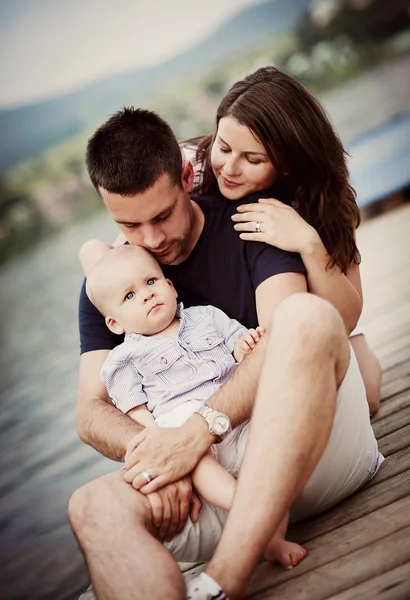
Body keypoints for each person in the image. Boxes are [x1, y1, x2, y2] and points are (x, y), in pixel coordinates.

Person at [68, 102, 383, 600]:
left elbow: (285, 335)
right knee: (91, 506)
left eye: (162, 215)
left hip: (310, 453)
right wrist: (154, 454)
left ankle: (224, 579)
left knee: (303, 317)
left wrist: (196, 433)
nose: (152, 240)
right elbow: (91, 410)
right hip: (212, 488)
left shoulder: (252, 223)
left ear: (187, 177)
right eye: (129, 227)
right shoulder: (114, 284)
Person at [80, 240, 305, 569]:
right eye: (129, 296)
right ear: (115, 324)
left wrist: (244, 347)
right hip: (182, 429)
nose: (146, 294)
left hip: (231, 410)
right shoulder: (123, 359)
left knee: (272, 421)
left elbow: (240, 350)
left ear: (170, 286)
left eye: (151, 282)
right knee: (193, 454)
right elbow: (135, 409)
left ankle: (269, 531)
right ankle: (252, 511)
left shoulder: (208, 317)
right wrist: (159, 439)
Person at [179, 66, 381, 416]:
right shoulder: (190, 171)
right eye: (224, 147)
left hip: (306, 320)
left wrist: (309, 244)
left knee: (367, 398)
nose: (228, 167)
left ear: (287, 165)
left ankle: (355, 350)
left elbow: (348, 314)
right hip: (221, 339)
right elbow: (130, 239)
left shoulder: (321, 201)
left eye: (252, 159)